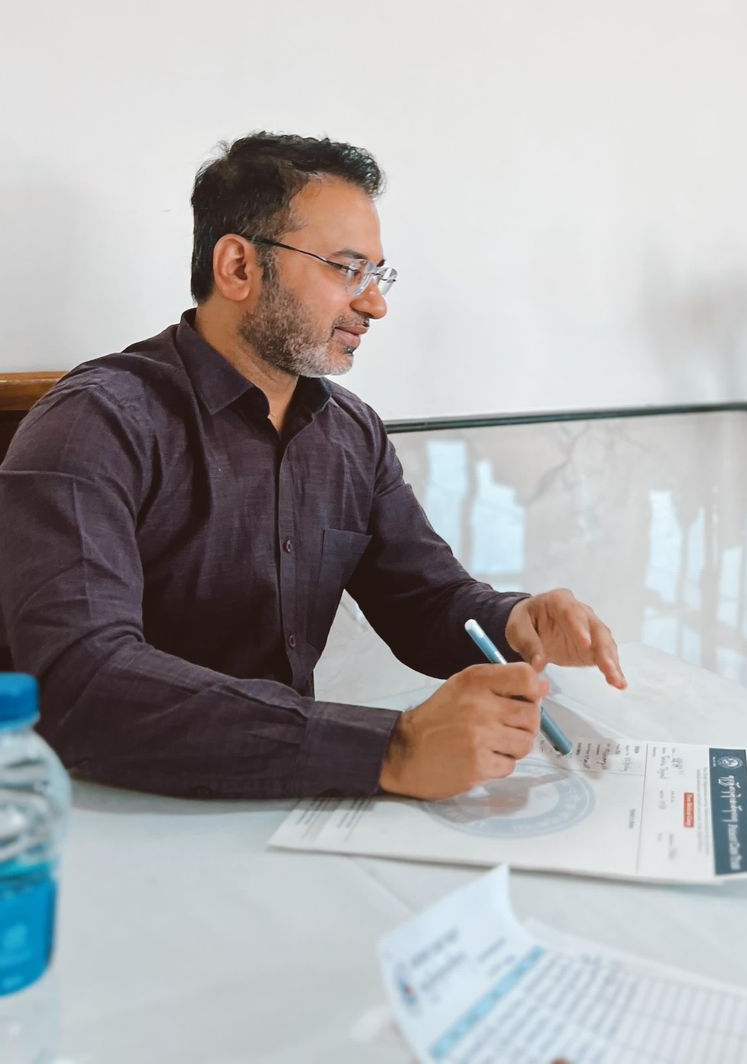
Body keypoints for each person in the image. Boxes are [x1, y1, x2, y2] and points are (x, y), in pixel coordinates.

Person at [0, 133, 626, 801]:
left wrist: (514, 621)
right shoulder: (94, 424)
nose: (375, 303)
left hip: (282, 794)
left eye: (378, 275)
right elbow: (82, 685)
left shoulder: (349, 431)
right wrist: (393, 748)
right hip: (97, 811)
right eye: (345, 268)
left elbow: (424, 599)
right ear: (238, 267)